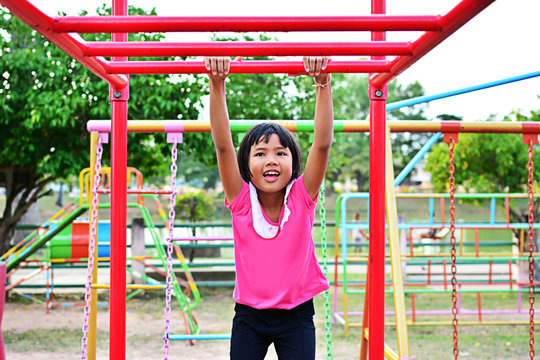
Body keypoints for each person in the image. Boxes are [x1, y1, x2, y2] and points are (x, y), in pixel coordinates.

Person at [205, 56, 333, 360]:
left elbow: (322, 144)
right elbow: (223, 146)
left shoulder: (302, 196)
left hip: (297, 314)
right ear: (247, 165)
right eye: (260, 153)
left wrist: (323, 83)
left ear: (294, 163)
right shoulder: (240, 200)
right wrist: (217, 83)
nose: (271, 160)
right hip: (250, 316)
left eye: (280, 153)